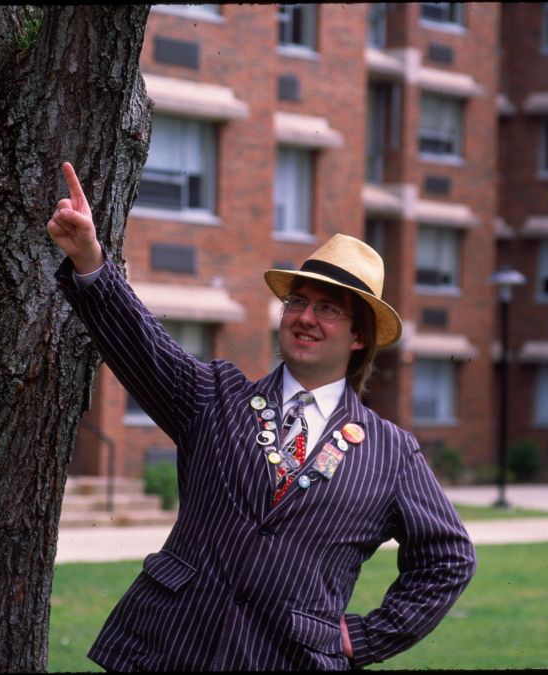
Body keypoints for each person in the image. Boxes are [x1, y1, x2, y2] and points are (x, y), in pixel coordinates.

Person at [47, 162, 476, 671]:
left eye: (329, 309)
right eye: (298, 301)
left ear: (359, 337)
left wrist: (364, 638)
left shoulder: (390, 453)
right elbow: (146, 345)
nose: (306, 317)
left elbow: (449, 559)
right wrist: (89, 258)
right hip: (169, 651)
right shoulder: (216, 398)